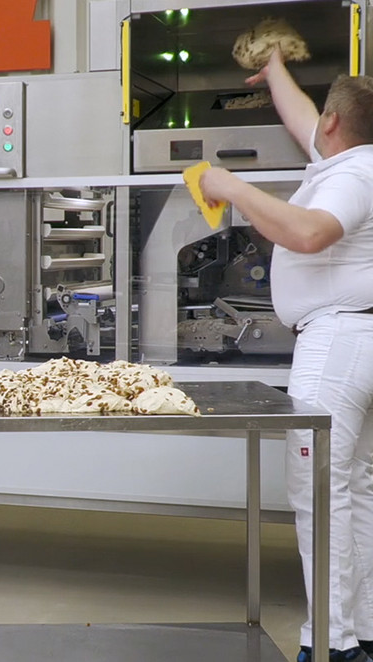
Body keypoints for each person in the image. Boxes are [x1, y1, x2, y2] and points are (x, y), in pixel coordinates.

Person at [198, 50, 373, 662]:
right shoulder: (347, 159)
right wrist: (274, 71)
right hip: (357, 339)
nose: (312, 123)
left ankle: (330, 644)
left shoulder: (355, 174)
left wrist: (231, 186)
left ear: (335, 121)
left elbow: (309, 232)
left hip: (338, 340)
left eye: (322, 114)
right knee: (353, 487)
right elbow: (304, 119)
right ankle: (361, 631)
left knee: (318, 487)